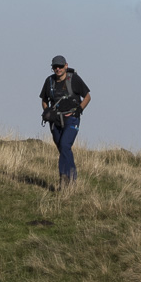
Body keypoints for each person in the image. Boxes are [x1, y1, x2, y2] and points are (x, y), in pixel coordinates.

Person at [39, 55, 91, 186]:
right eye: (55, 67)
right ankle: (72, 177)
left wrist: (79, 109)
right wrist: (47, 111)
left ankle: (64, 178)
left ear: (66, 66)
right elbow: (44, 100)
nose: (58, 69)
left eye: (60, 66)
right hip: (55, 121)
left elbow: (87, 96)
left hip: (71, 119)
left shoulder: (74, 79)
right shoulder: (49, 81)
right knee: (62, 148)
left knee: (65, 145)